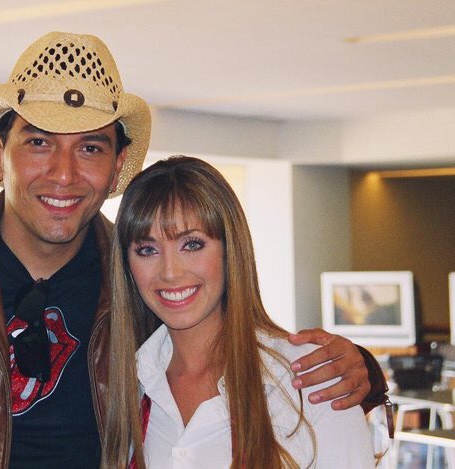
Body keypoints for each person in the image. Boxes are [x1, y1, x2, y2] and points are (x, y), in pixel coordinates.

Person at [0, 32, 385, 468]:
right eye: (39, 142)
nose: (64, 174)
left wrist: (364, 371)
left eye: (89, 148)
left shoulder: (141, 284)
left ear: (116, 167)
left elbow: (233, 351)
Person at [103, 156, 376, 468]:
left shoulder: (311, 381)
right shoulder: (128, 387)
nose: (170, 272)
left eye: (191, 245)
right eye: (147, 250)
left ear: (229, 249)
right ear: (127, 264)